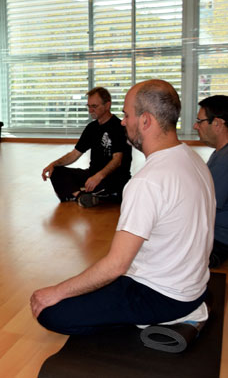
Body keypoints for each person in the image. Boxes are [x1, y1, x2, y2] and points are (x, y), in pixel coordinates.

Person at [31, 80, 214, 335]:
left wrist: (56, 291)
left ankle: (174, 321)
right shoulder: (194, 160)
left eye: (127, 115)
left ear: (146, 120)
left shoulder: (148, 181)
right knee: (92, 284)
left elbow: (117, 265)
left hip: (164, 296)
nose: (123, 122)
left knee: (50, 311)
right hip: (195, 286)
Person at [42, 87, 132, 208]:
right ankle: (81, 196)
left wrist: (98, 176)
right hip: (92, 175)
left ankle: (84, 195)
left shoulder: (118, 127)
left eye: (94, 106)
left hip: (113, 178)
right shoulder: (91, 128)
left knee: (115, 187)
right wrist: (54, 164)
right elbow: (75, 154)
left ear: (107, 105)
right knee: (57, 171)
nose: (90, 110)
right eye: (88, 106)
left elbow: (117, 160)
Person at [194, 95, 228, 268]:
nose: (195, 126)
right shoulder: (219, 153)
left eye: (200, 121)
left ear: (217, 124)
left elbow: (204, 204)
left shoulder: (225, 159)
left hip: (219, 242)